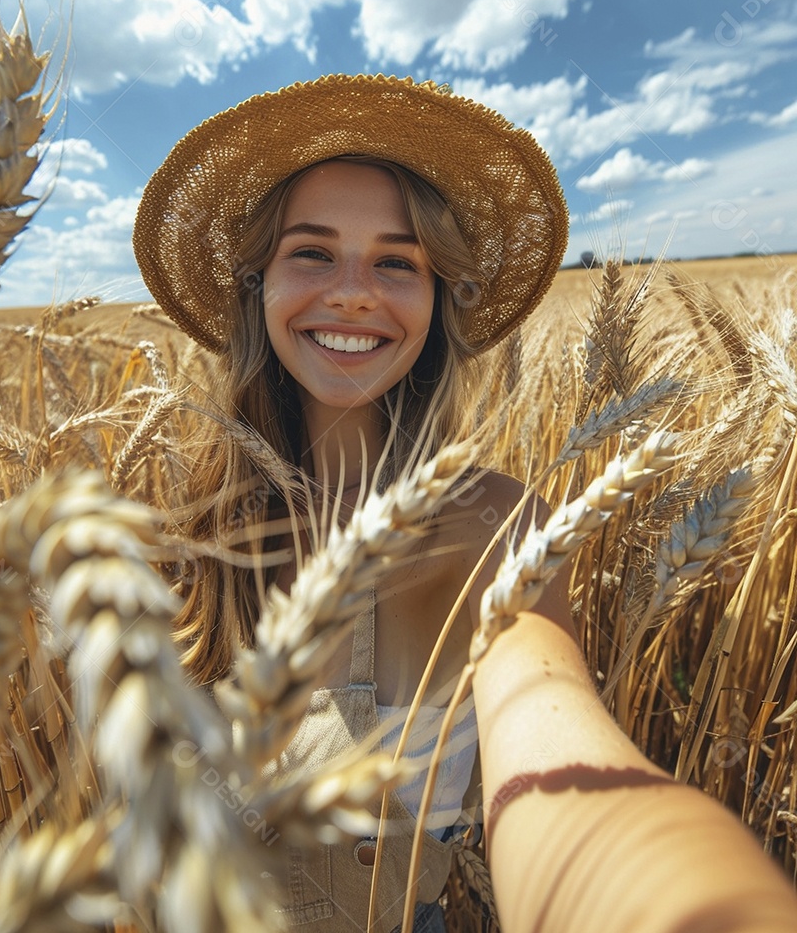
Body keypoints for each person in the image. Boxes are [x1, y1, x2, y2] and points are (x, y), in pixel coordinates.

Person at [133, 74, 797, 933]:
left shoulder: (493, 528)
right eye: (312, 252)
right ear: (254, 283)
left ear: (439, 295)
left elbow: (558, 755)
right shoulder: (185, 527)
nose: (354, 291)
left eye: (397, 261)